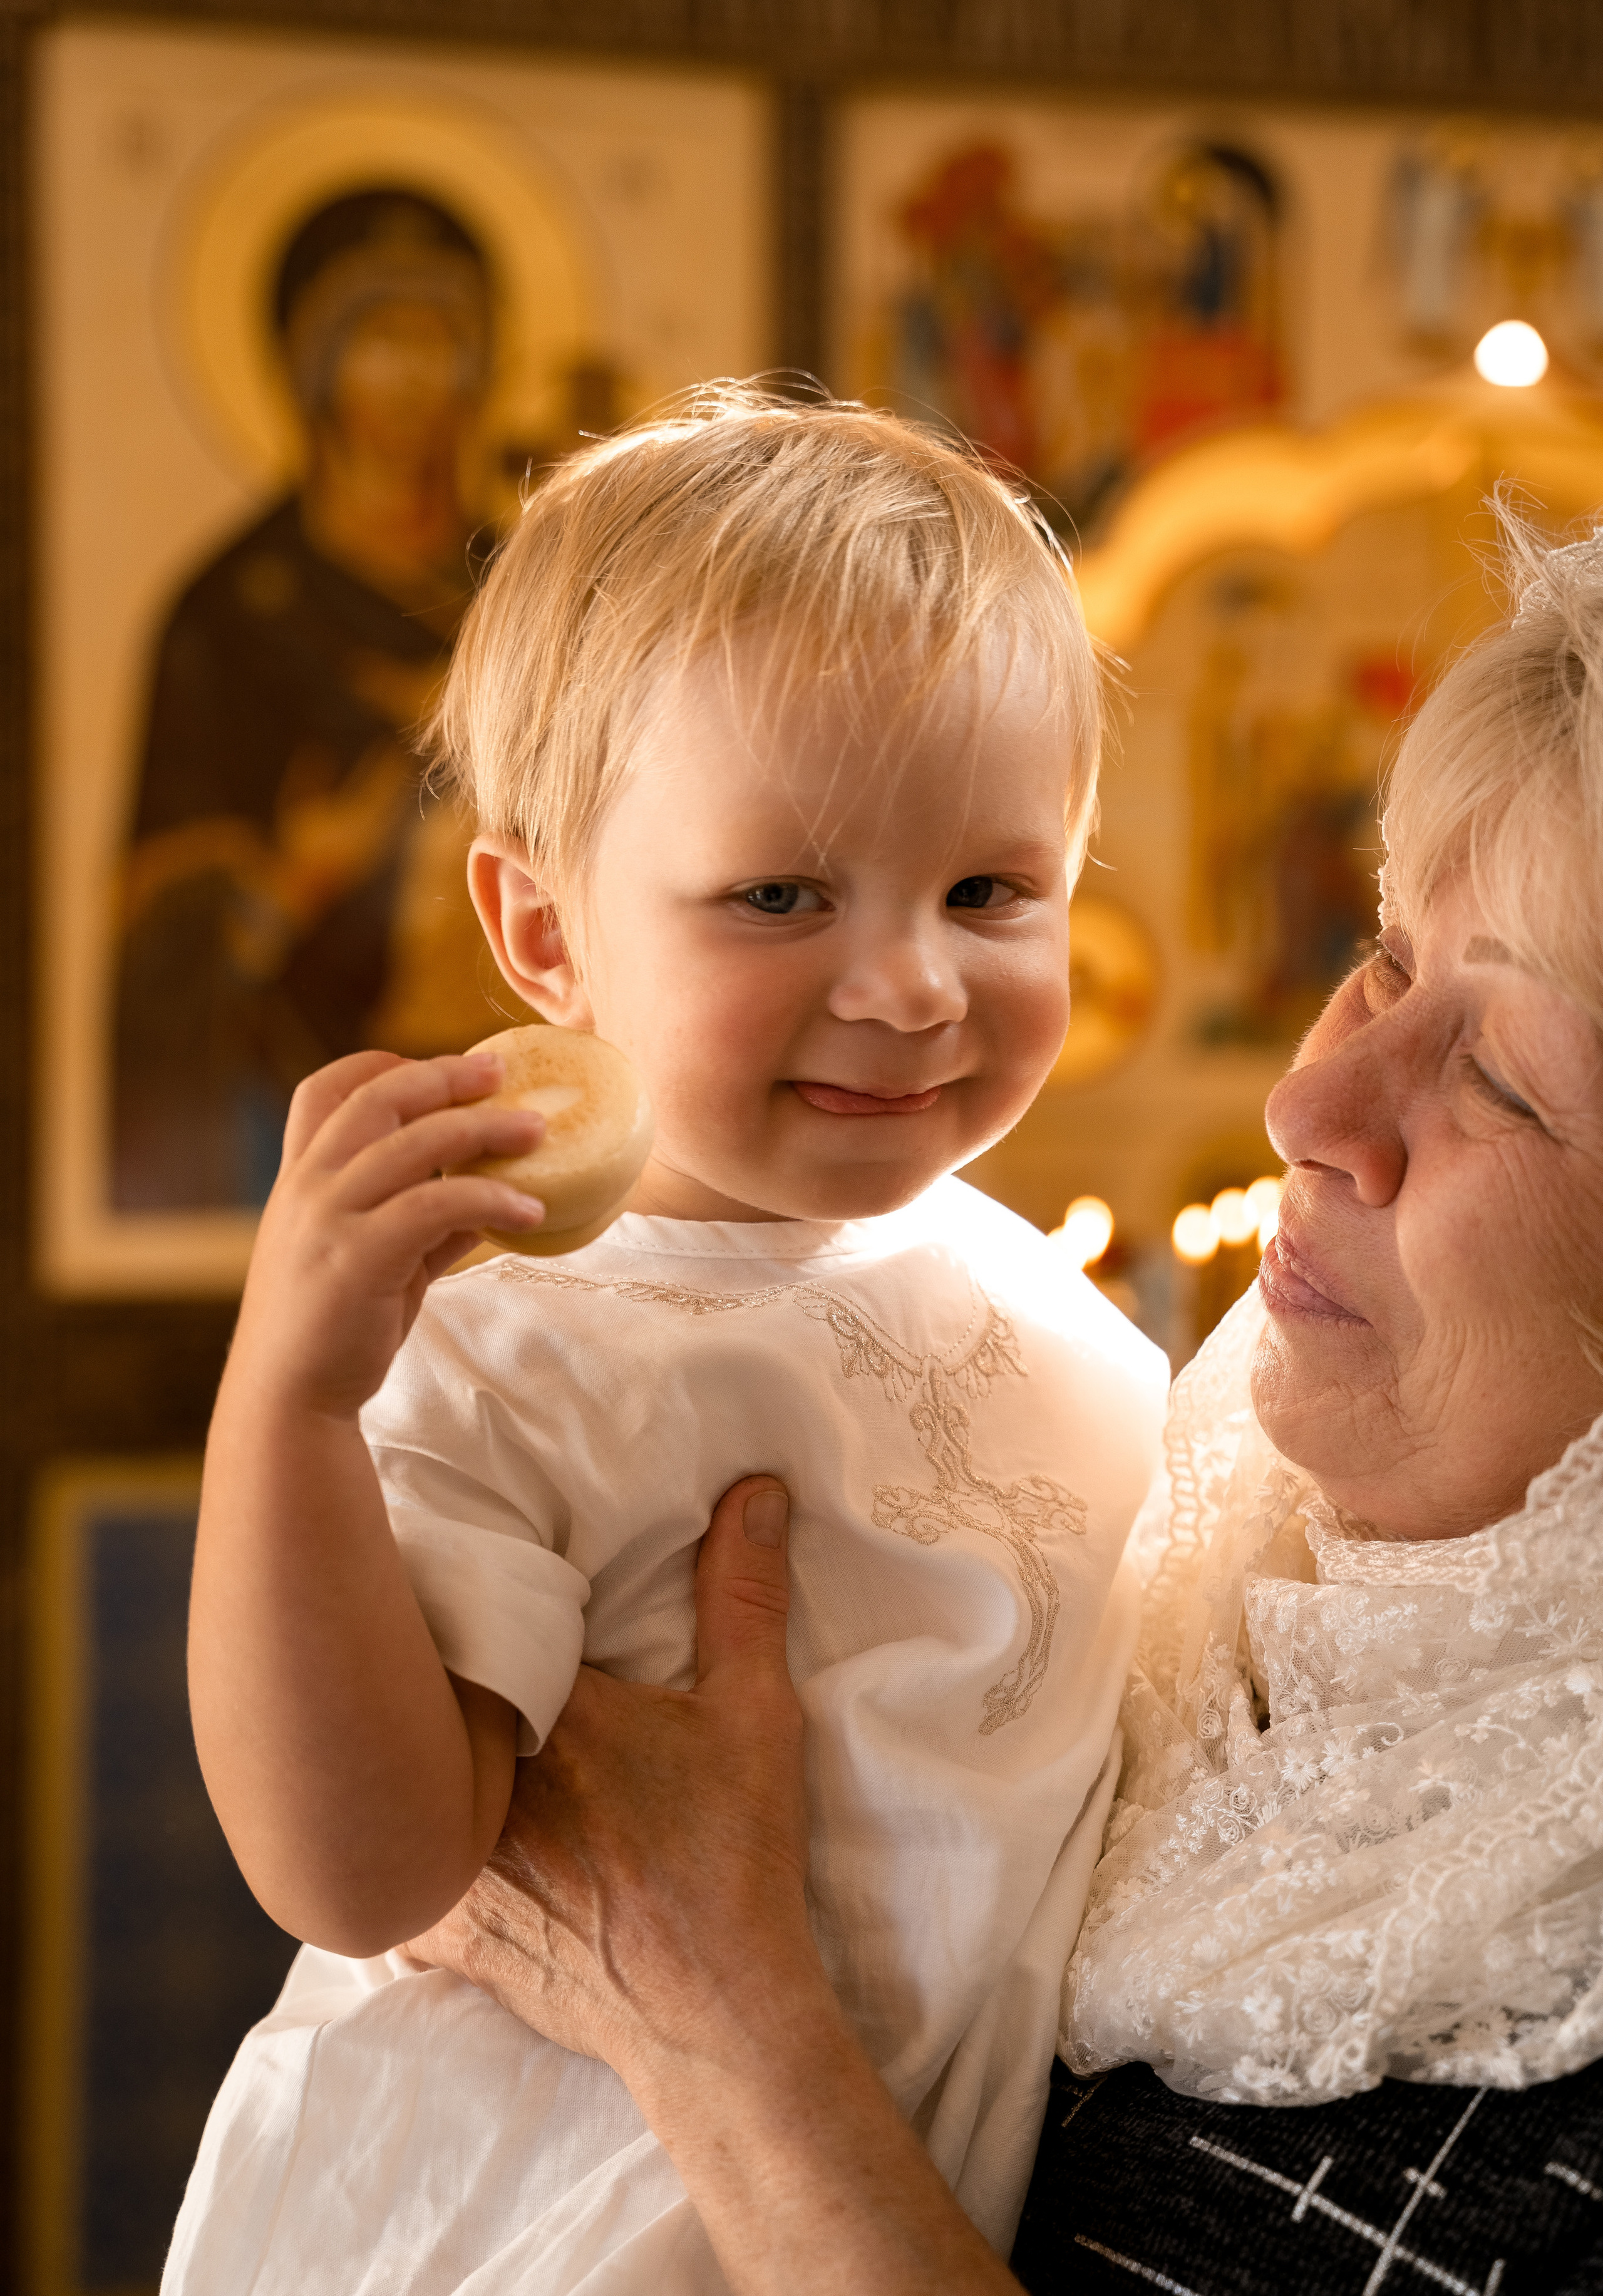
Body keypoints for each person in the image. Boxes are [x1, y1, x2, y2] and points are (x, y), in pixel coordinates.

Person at [402, 507, 1603, 2296]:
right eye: (1386, 960)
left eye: (1498, 1077)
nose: (1307, 1107)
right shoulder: (1197, 1543)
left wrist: (708, 2012)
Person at [163, 387, 1170, 2293]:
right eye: (780, 896)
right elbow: (363, 1873)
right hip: (543, 2229)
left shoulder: (1057, 1308)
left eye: (989, 890)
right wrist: (291, 1410)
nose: (910, 984)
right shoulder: (511, 1332)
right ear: (545, 934)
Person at [114, 187, 505, 1210]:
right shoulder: (229, 616)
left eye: (439, 341)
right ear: (315, 367)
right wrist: (295, 881)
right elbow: (159, 943)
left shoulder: (523, 589)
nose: (413, 377)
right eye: (379, 339)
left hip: (512, 1069)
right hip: (296, 1088)